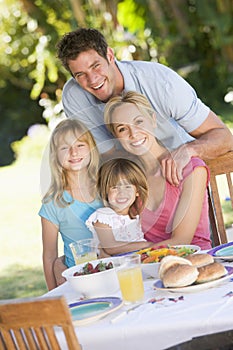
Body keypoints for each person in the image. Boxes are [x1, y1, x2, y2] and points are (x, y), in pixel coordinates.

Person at [56, 28, 233, 186]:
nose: (93, 80)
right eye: (80, 75)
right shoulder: (74, 97)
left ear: (110, 56)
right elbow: (108, 155)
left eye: (96, 66)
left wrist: (189, 150)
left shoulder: (161, 83)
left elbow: (224, 137)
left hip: (183, 177)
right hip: (136, 184)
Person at [103, 91, 212, 250]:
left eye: (138, 121)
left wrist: (139, 251)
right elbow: (117, 234)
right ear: (116, 137)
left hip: (194, 263)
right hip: (150, 268)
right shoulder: (129, 181)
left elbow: (182, 241)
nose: (133, 134)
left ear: (153, 120)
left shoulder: (192, 169)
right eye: (122, 129)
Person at [39, 119, 103, 290]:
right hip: (76, 281)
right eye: (65, 148)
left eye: (80, 145)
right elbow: (49, 255)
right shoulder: (53, 203)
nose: (74, 152)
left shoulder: (107, 188)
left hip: (111, 272)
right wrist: (54, 297)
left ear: (91, 149)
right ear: (55, 156)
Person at [86, 158, 154, 255]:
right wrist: (146, 245)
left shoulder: (135, 216)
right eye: (115, 187)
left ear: (137, 191)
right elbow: (111, 248)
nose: (122, 193)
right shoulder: (103, 216)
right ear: (105, 191)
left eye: (127, 187)